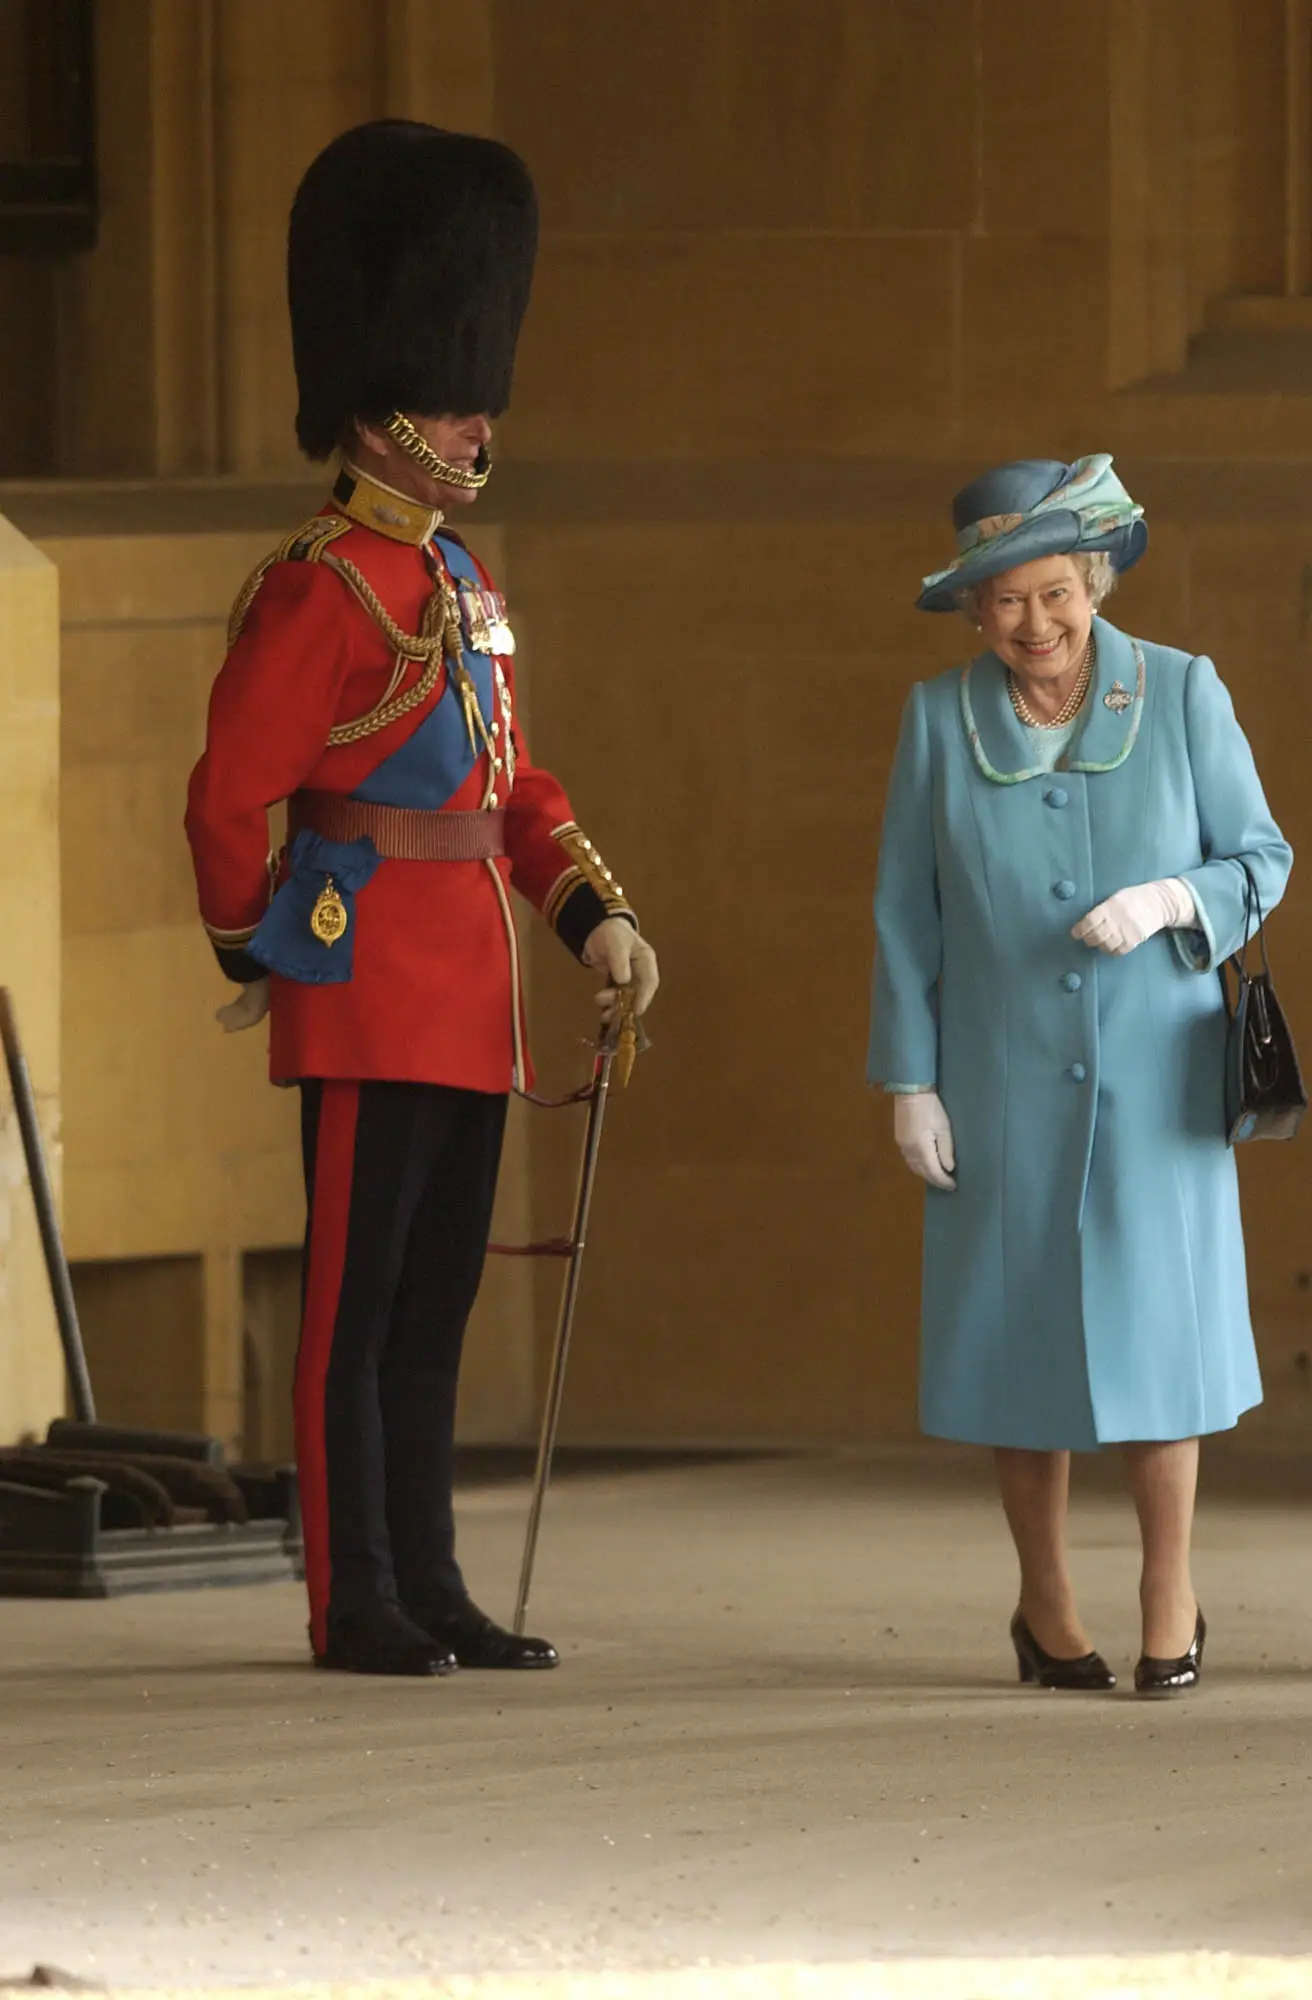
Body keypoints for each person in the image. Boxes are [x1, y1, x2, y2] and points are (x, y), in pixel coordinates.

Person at [185, 121, 659, 1679]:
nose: (476, 417)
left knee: (435, 1307)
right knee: (352, 1309)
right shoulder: (322, 588)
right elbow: (228, 791)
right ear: (383, 411)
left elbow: (518, 793)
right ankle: (354, 1595)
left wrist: (596, 921)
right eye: (454, 395)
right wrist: (252, 941)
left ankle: (433, 1581)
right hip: (360, 981)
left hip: (470, 996)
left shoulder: (463, 589)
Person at [868, 455, 1292, 1697]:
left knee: (1161, 1338)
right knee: (1016, 1344)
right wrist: (910, 1078)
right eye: (1004, 601)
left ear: (1094, 579)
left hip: (1156, 1076)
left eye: (1055, 592)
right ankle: (1044, 1603)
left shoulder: (1180, 691)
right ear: (972, 608)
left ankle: (1172, 1588)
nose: (1036, 624)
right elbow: (905, 912)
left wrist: (1175, 897)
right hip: (995, 1080)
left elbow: (1261, 856)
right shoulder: (938, 718)